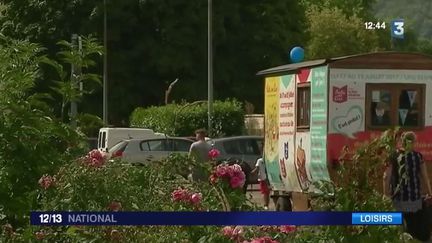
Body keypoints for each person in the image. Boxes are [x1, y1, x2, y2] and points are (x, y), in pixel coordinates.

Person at [383, 131, 432, 242]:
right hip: (415, 200)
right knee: (413, 229)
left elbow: (386, 176)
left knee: (399, 230)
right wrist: (430, 193)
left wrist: (385, 195)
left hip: (398, 199)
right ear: (413, 142)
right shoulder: (418, 157)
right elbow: (425, 177)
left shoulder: (393, 156)